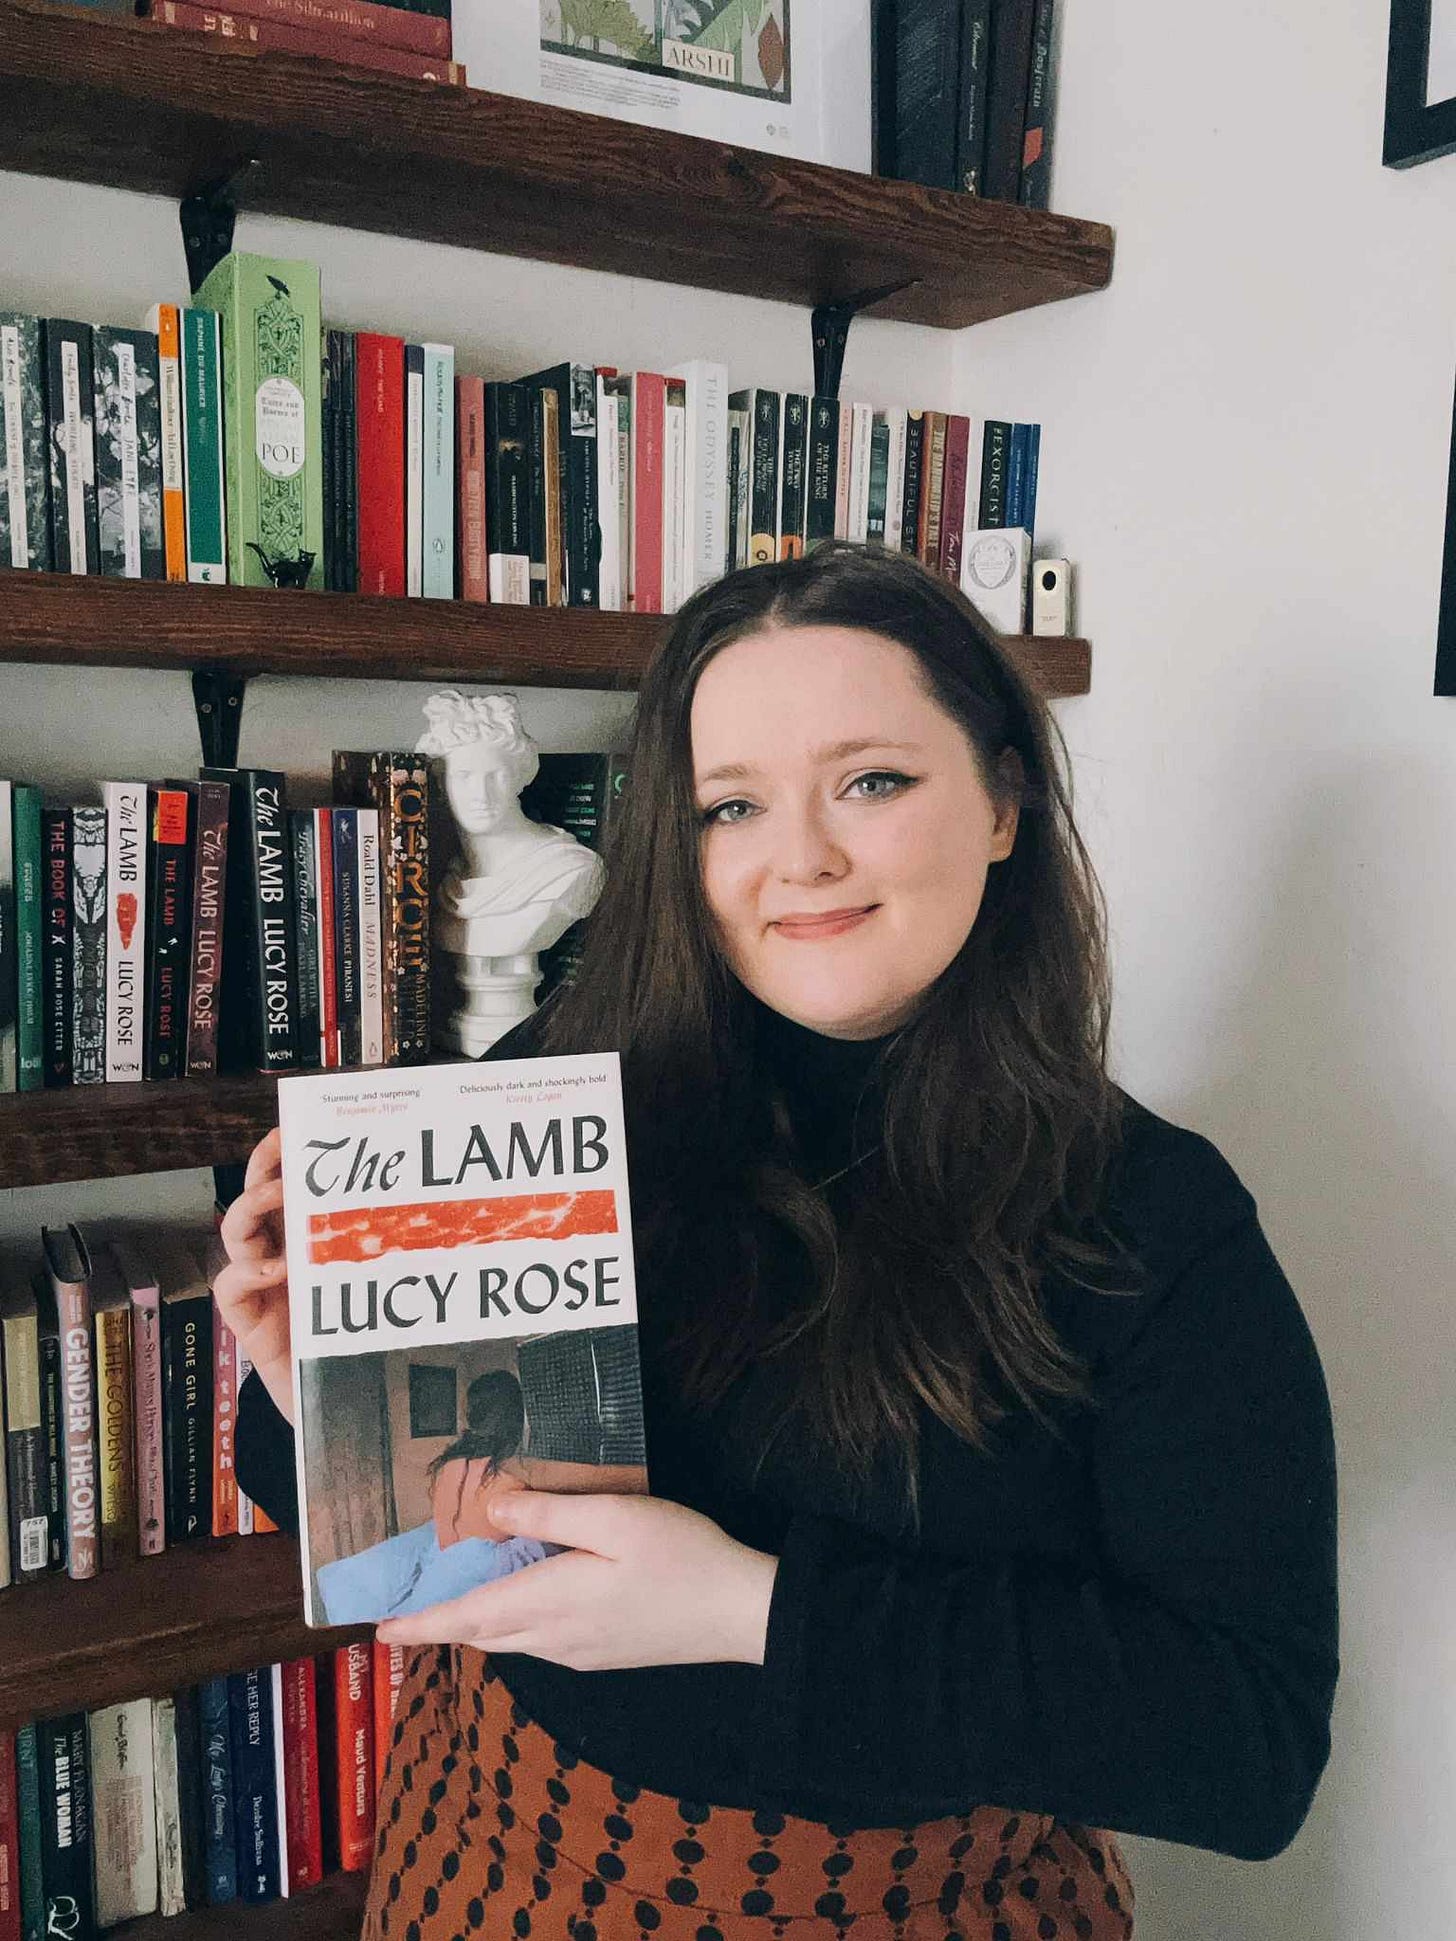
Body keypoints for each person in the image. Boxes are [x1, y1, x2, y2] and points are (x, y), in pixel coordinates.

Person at [218, 542, 1338, 1940]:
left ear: (1003, 800)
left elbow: (1248, 1744)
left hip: (921, 1907)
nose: (799, 857)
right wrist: (299, 1387)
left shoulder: (1154, 1217)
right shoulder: (563, 1082)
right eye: (730, 806)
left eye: (872, 781)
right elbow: (383, 1512)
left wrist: (755, 1609)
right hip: (496, 1853)